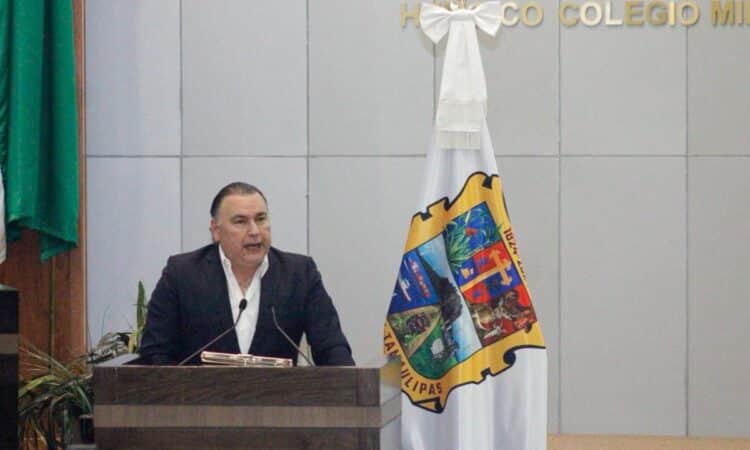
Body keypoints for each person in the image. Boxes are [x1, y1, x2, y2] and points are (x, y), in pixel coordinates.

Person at [139, 182, 354, 366]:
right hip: (198, 400)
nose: (254, 231)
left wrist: (348, 386)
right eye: (240, 222)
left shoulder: (299, 274)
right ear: (216, 230)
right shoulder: (182, 274)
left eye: (260, 219)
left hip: (279, 401)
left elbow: (332, 348)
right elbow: (155, 354)